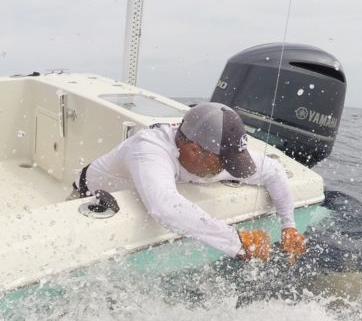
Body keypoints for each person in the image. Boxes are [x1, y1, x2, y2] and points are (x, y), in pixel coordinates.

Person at [75, 102, 307, 261]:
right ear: (195, 150)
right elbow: (163, 207)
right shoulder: (148, 148)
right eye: (224, 163)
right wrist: (237, 241)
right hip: (88, 198)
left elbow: (273, 172)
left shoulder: (213, 155)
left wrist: (289, 226)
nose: (229, 170)